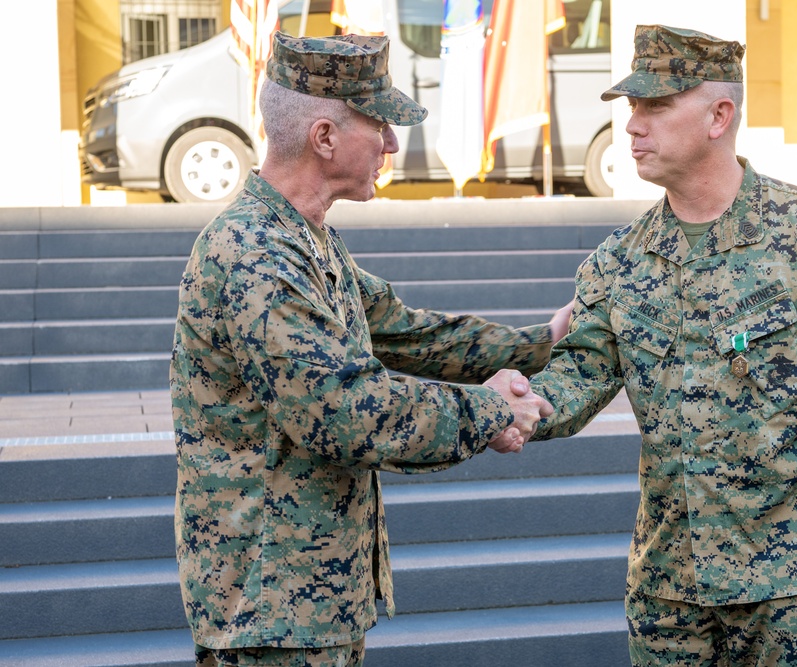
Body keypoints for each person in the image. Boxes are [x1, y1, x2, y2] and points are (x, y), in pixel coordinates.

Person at [524, 25, 797, 666]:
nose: (632, 126)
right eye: (631, 107)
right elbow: (575, 378)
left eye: (656, 107)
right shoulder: (620, 263)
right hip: (672, 591)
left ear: (720, 115)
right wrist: (508, 408)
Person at [170, 32, 566, 667]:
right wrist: (490, 413)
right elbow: (344, 411)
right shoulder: (256, 257)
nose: (390, 144)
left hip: (309, 602)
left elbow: (407, 332)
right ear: (324, 137)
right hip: (271, 613)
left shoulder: (305, 240)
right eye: (379, 124)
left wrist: (541, 343)